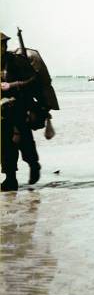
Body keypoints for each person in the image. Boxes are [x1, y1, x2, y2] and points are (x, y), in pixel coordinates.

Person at [1, 32, 41, 191]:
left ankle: (33, 164)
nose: (2, 48)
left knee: (24, 141)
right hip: (2, 111)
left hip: (20, 107)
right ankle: (10, 179)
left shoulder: (17, 61)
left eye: (3, 45)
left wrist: (12, 85)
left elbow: (33, 80)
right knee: (5, 144)